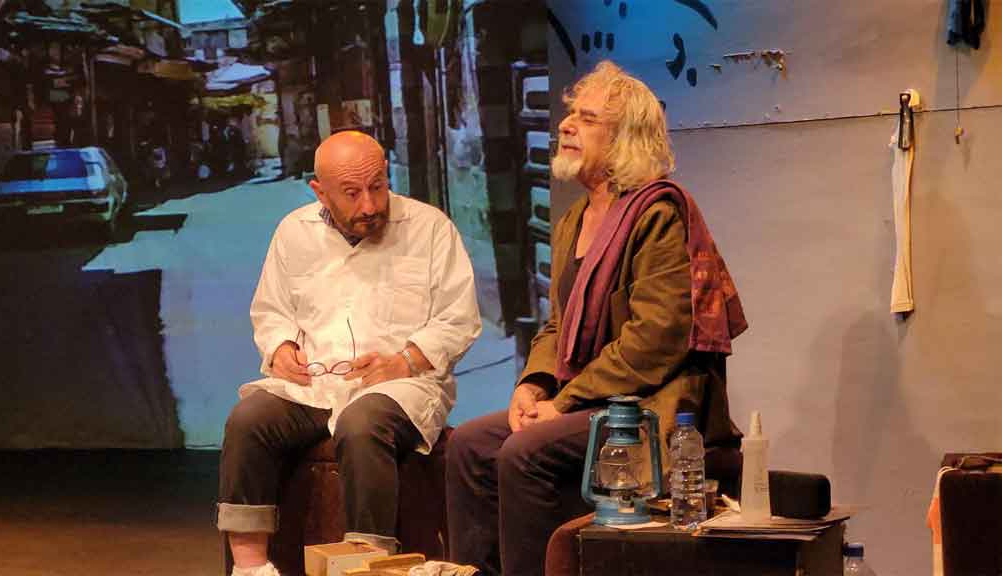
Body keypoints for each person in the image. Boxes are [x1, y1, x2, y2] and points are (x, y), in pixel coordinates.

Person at [445, 60, 748, 576]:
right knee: (470, 444)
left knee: (523, 451)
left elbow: (654, 340)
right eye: (570, 115)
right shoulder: (573, 219)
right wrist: (534, 385)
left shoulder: (657, 215)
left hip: (645, 405)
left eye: (586, 119)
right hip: (586, 398)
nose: (566, 125)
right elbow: (557, 325)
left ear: (625, 139)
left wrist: (564, 402)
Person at [218, 131, 482, 576]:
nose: (370, 205)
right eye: (352, 193)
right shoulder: (294, 232)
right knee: (248, 421)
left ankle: (368, 564)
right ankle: (251, 567)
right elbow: (271, 310)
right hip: (314, 386)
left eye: (377, 186)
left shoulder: (430, 228)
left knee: (361, 424)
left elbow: (459, 318)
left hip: (402, 386)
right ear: (320, 192)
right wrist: (281, 347)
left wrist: (404, 360)